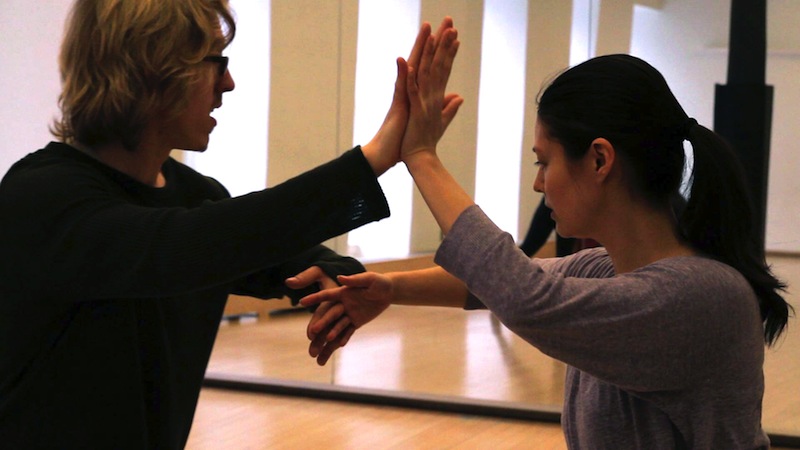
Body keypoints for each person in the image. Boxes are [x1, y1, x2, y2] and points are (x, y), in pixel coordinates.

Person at [0, 0, 460, 447]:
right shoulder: (41, 196)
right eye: (216, 64)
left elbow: (282, 254)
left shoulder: (193, 194)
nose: (230, 83)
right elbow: (188, 246)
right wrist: (373, 159)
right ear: (154, 67)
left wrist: (345, 282)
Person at [301, 53, 793, 448]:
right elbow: (495, 284)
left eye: (545, 162)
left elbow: (523, 295)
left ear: (599, 159)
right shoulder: (609, 271)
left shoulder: (700, 295)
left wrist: (422, 157)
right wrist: (387, 288)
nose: (539, 183)